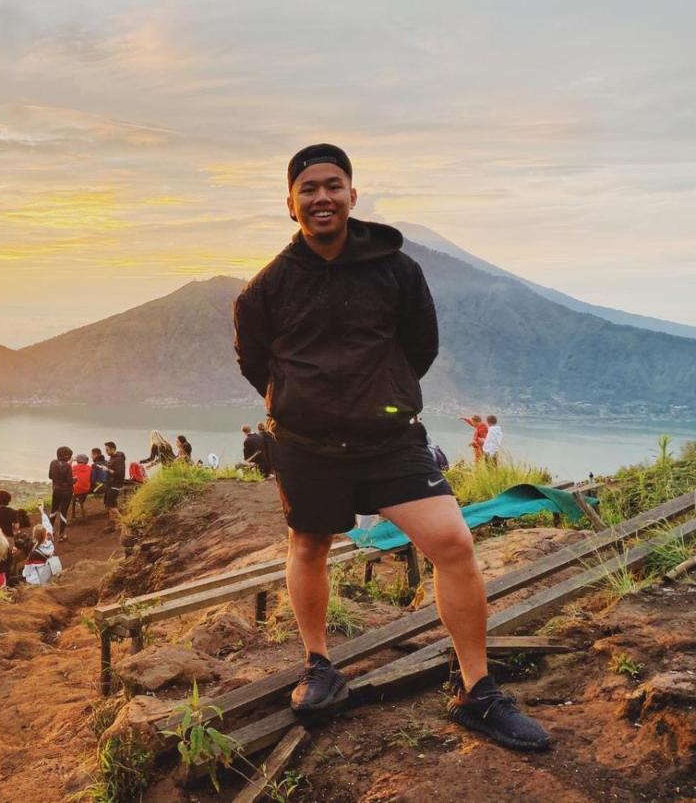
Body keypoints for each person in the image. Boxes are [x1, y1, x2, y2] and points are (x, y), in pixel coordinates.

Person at [233, 142, 549, 752]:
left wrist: (384, 394)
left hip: (390, 441)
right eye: (309, 189)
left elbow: (419, 346)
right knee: (309, 544)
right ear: (290, 204)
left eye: (333, 185)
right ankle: (320, 665)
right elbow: (257, 365)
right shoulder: (267, 288)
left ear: (353, 194)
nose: (322, 197)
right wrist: (307, 402)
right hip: (306, 444)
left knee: (453, 543)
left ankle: (476, 692)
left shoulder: (397, 268)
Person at [48, 446, 74, 541]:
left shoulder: (53, 463)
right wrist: (74, 480)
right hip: (66, 491)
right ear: (66, 456)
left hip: (56, 490)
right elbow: (70, 481)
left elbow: (50, 476)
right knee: (63, 512)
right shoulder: (67, 466)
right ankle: (61, 535)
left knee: (53, 511)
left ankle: (49, 532)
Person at [103, 441, 126, 532]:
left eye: (107, 450)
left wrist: (107, 470)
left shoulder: (118, 459)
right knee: (109, 504)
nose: (106, 452)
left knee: (112, 506)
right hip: (110, 484)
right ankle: (114, 524)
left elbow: (119, 473)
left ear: (113, 449)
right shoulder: (113, 458)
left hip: (115, 485)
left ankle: (124, 522)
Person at [71, 453, 92, 520]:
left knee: (74, 492)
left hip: (76, 490)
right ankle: (80, 503)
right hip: (86, 489)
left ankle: (77, 504)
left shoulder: (73, 467)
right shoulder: (89, 468)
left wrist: (71, 461)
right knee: (83, 492)